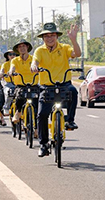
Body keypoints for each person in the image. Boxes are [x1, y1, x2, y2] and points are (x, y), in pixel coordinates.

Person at [30, 22, 81, 157]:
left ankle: (70, 120)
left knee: (74, 91)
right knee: (41, 115)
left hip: (64, 84)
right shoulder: (39, 50)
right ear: (43, 38)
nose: (50, 38)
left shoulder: (64, 48)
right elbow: (34, 61)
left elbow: (77, 53)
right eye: (46, 36)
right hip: (47, 87)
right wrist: (34, 66)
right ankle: (43, 144)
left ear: (56, 36)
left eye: (52, 35)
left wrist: (73, 40)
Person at [8, 39, 36, 125]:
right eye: (20, 47)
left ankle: (36, 128)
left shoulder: (33, 59)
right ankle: (18, 112)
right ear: (18, 49)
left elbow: (39, 65)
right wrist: (11, 72)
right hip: (21, 85)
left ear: (27, 47)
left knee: (38, 103)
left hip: (33, 85)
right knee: (19, 97)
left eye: (24, 46)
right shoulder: (15, 60)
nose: (22, 48)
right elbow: (12, 67)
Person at [0, 50, 17, 114]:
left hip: (18, 83)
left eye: (14, 54)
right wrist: (2, 73)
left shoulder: (18, 62)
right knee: (9, 92)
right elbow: (1, 71)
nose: (12, 56)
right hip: (8, 84)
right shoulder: (5, 64)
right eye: (10, 54)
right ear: (7, 56)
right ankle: (6, 107)